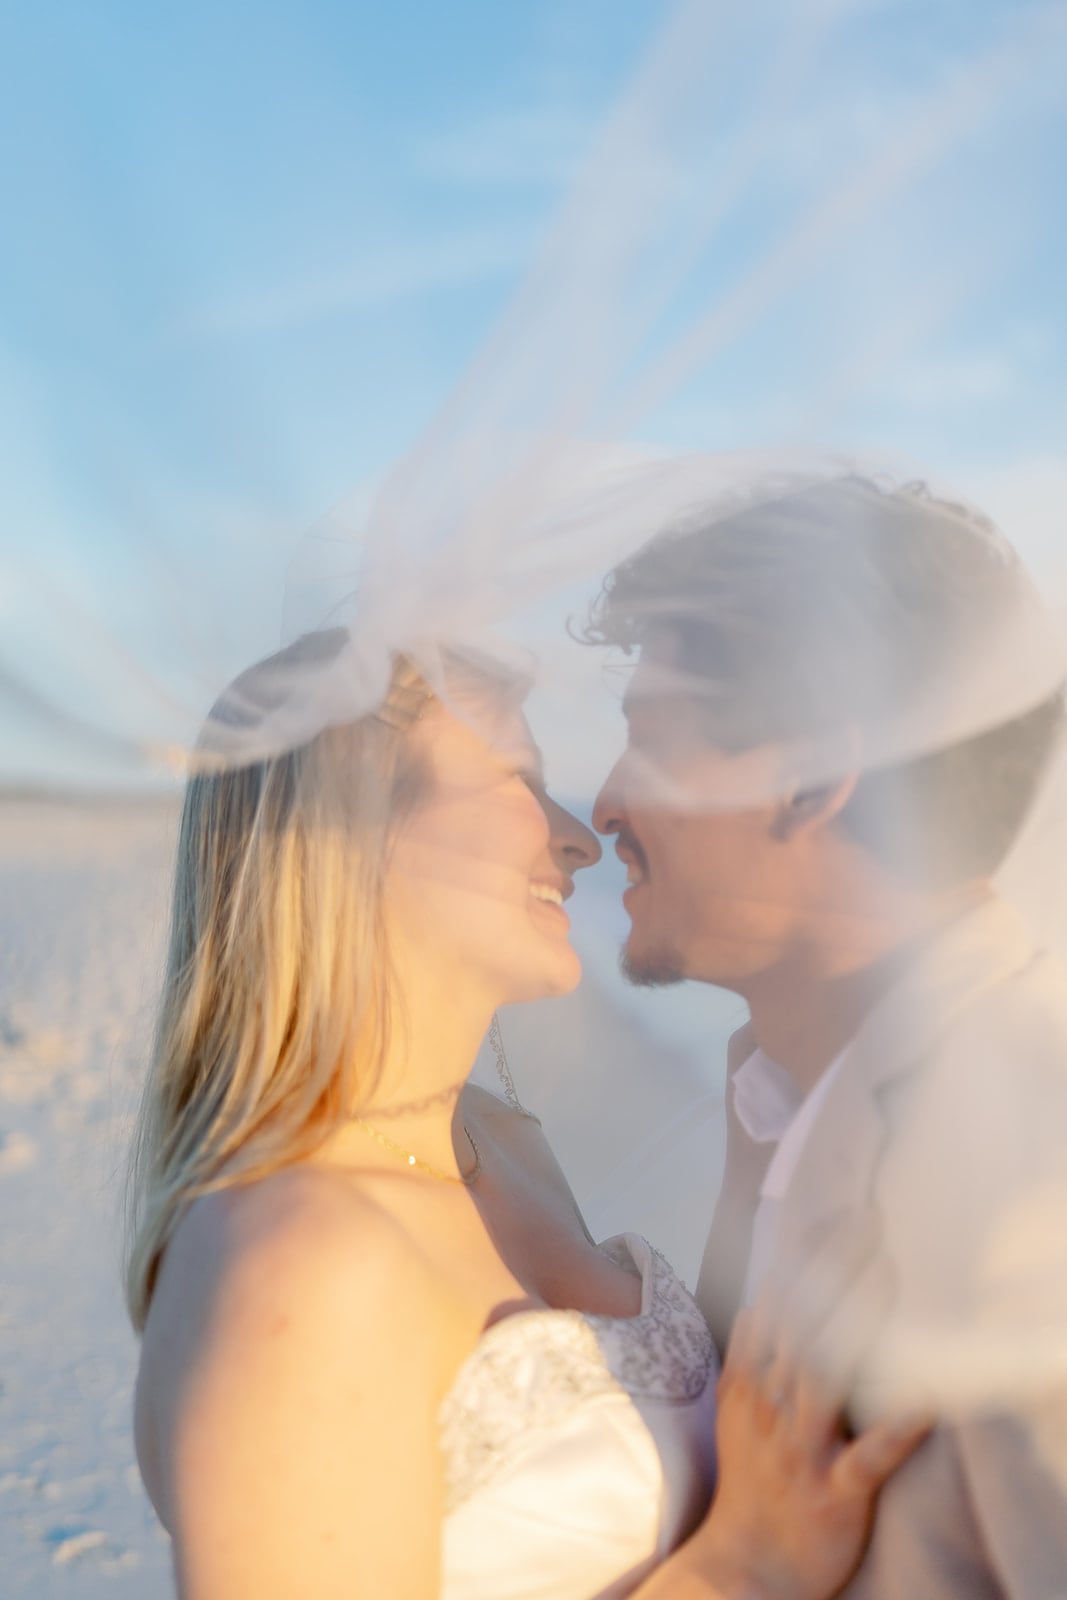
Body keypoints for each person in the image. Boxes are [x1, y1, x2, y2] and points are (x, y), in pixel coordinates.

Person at [126, 632, 921, 1600]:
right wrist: (743, 1564)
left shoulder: (497, 1146)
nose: (577, 837)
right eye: (518, 778)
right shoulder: (298, 1255)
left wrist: (774, 1137)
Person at [586, 474, 1067, 1597]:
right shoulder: (778, 1098)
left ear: (806, 783)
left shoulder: (1015, 1184)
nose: (602, 805)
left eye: (647, 741)